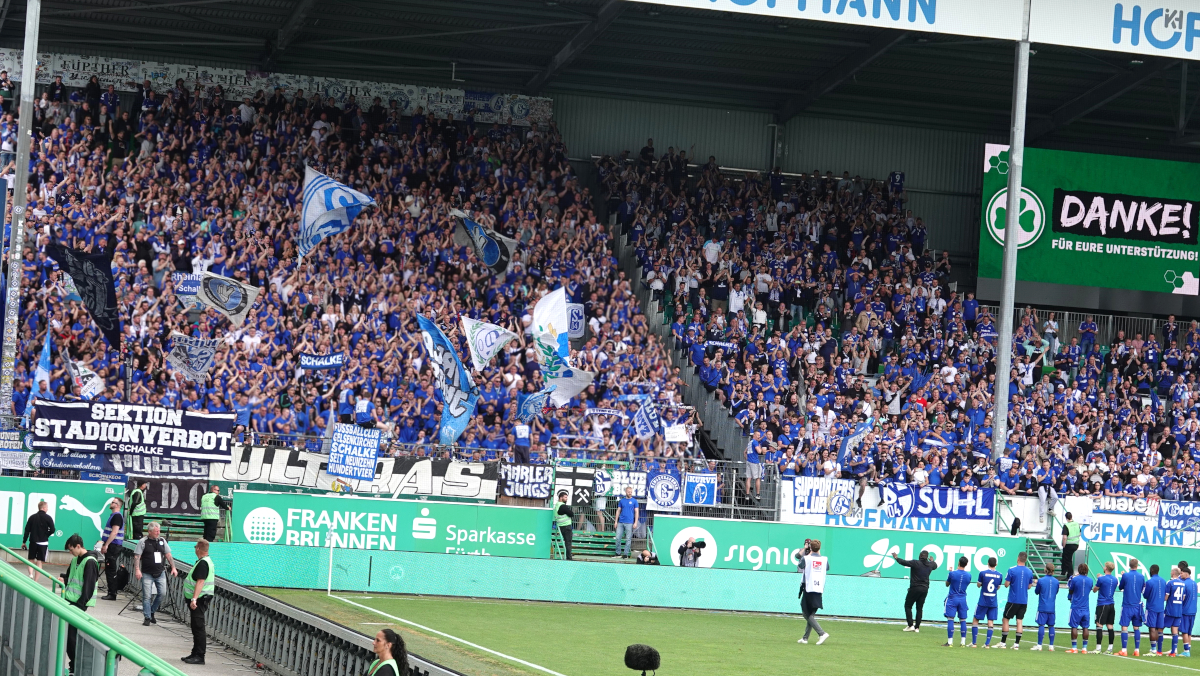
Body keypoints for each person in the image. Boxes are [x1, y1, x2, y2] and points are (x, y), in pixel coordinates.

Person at [60, 534, 100, 676]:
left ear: (78, 546)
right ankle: (74, 665)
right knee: (67, 636)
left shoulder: (90, 561)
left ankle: (76, 666)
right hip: (69, 600)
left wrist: (80, 605)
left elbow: (88, 586)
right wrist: (63, 578)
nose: (70, 553)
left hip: (78, 604)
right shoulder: (76, 559)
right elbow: (71, 577)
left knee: (71, 637)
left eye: (71, 550)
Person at [134, 522, 177, 626]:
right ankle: (147, 617)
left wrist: (173, 567)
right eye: (156, 531)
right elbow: (137, 556)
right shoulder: (143, 541)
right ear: (149, 531)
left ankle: (152, 611)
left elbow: (168, 555)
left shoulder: (162, 541)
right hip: (147, 573)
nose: (158, 533)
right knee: (147, 596)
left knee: (162, 593)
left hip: (160, 571)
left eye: (159, 531)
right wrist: (137, 569)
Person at [180, 539, 215, 665]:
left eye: (195, 547)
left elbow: (200, 582)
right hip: (200, 598)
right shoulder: (205, 561)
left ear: (198, 549)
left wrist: (194, 598)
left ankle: (199, 656)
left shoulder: (203, 563)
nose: (195, 549)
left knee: (198, 627)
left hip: (199, 599)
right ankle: (195, 653)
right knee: (196, 626)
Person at [995, 551, 1035, 649]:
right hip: (1024, 600)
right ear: (1025, 560)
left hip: (1013, 599)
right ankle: (1016, 644)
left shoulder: (1012, 570)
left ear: (1018, 558)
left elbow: (1006, 584)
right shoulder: (1030, 571)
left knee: (1005, 619)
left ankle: (1003, 642)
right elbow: (1030, 586)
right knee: (1019, 621)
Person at [892, 549, 939, 632]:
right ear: (927, 557)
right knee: (919, 608)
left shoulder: (915, 563)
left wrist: (896, 558)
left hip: (915, 588)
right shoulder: (930, 564)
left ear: (920, 556)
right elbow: (935, 565)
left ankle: (910, 625)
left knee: (908, 606)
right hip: (925, 589)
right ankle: (917, 627)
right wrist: (932, 560)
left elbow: (903, 562)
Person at [795, 539, 829, 645]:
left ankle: (822, 633)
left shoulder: (807, 558)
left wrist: (807, 552)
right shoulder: (824, 559)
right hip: (819, 589)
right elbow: (827, 567)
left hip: (809, 588)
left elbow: (800, 565)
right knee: (811, 613)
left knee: (806, 613)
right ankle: (805, 638)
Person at [971, 556, 1003, 647]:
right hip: (993, 601)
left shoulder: (982, 573)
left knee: (975, 620)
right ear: (996, 564)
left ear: (988, 563)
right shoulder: (1000, 575)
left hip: (983, 600)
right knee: (990, 622)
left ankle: (974, 643)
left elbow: (978, 585)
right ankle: (987, 644)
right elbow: (998, 587)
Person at [1118, 557, 1146, 656]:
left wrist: (1123, 577)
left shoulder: (1125, 575)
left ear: (1129, 565)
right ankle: (1136, 650)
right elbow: (1143, 588)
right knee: (1136, 628)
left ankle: (1124, 650)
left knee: (1124, 627)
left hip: (1127, 605)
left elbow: (1120, 587)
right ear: (1137, 566)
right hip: (1137, 606)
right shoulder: (1142, 576)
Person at [21, 499, 54, 582]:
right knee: (39, 562)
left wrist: (24, 541)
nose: (47, 509)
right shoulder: (48, 518)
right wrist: (46, 534)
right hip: (43, 542)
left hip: (33, 541)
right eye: (47, 507)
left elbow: (27, 530)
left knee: (31, 560)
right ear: (44, 508)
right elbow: (53, 529)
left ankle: (31, 574)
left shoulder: (32, 517)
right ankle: (35, 581)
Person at [98, 497, 125, 601]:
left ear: (117, 505)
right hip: (112, 545)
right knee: (109, 569)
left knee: (111, 570)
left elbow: (114, 532)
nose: (111, 503)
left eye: (113, 502)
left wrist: (106, 545)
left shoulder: (117, 517)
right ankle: (111, 592)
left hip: (113, 546)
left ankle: (112, 593)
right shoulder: (114, 516)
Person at [944, 556, 971, 647]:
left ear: (959, 562)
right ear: (966, 564)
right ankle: (962, 642)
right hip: (963, 598)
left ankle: (950, 642)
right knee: (963, 620)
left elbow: (947, 584)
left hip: (952, 598)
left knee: (951, 619)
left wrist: (950, 573)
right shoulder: (969, 575)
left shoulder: (952, 574)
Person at [1066, 563, 1093, 653]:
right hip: (1085, 608)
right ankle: (1084, 648)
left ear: (1079, 570)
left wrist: (1070, 597)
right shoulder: (1090, 580)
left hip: (1076, 607)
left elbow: (1071, 589)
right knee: (1085, 627)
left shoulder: (1075, 579)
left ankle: (1074, 648)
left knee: (1074, 626)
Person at [1093, 561, 1119, 654]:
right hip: (1111, 604)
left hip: (1102, 604)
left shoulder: (1101, 579)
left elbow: (1094, 590)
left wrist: (1098, 579)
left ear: (1106, 568)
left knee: (1099, 625)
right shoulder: (1115, 579)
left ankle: (1098, 648)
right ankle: (1110, 648)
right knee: (1110, 626)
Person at [1031, 563, 1059, 651]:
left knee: (1041, 625)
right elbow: (1056, 592)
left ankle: (1039, 645)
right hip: (1052, 607)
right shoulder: (1056, 581)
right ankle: (1051, 646)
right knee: (1051, 626)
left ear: (1045, 570)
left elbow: (1036, 591)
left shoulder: (1041, 580)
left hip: (1043, 606)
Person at [1146, 563, 1168, 656]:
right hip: (1160, 607)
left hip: (1152, 607)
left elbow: (1145, 595)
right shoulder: (1163, 581)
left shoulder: (1149, 582)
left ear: (1151, 571)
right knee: (1160, 629)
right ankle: (1159, 650)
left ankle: (1153, 650)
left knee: (1152, 628)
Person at [613, 486, 638, 559]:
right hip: (621, 522)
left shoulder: (634, 501)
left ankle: (625, 554)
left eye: (631, 492)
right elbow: (618, 511)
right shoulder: (622, 501)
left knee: (628, 539)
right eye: (628, 492)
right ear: (626, 492)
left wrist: (635, 522)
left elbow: (636, 512)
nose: (630, 493)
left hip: (629, 522)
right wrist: (616, 521)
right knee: (618, 538)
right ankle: (618, 553)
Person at [1167, 566, 1186, 657]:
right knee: (1175, 631)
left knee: (1159, 628)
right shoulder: (1183, 584)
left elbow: (1166, 597)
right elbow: (1183, 597)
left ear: (1173, 573)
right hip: (1179, 610)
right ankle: (1173, 652)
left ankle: (1157, 650)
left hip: (1170, 610)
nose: (1170, 573)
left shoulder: (1170, 583)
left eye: (1171, 572)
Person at [552, 491, 574, 561]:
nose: (566, 499)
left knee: (567, 542)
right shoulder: (563, 506)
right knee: (568, 542)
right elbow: (571, 514)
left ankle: (568, 556)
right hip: (566, 526)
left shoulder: (557, 505)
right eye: (565, 497)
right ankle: (569, 558)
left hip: (560, 526)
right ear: (561, 498)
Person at [1181, 563, 1196, 657]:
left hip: (1185, 611)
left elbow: (1183, 598)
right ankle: (1188, 650)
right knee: (1189, 631)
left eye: (1182, 573)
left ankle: (1186, 651)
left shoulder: (1184, 584)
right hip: (1193, 610)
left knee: (1184, 631)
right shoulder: (1194, 583)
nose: (1181, 575)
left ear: (1186, 573)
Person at [1060, 511, 1080, 577]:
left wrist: (1063, 545)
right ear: (1071, 517)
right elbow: (1080, 533)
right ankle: (1064, 572)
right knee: (1067, 558)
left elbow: (1064, 537)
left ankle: (1069, 574)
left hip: (1069, 544)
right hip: (1076, 544)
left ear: (1066, 518)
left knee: (1067, 560)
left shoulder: (1066, 525)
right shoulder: (1077, 524)